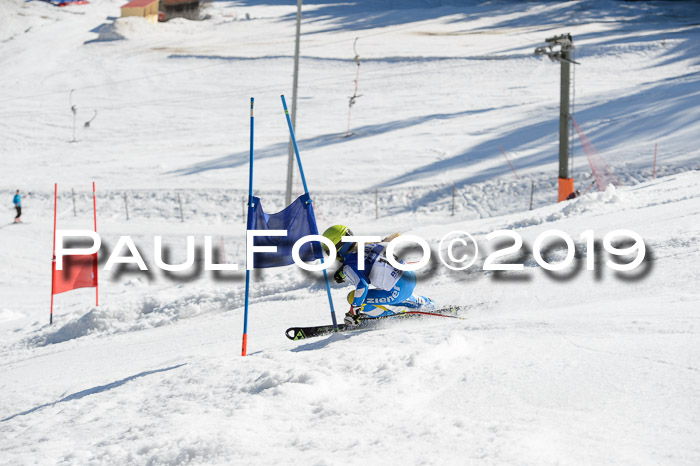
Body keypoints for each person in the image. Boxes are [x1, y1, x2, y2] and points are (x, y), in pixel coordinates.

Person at [322, 225, 434, 326]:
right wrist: (342, 271)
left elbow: (362, 285)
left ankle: (391, 318)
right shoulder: (369, 245)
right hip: (410, 277)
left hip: (397, 290)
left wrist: (354, 311)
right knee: (388, 286)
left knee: (352, 298)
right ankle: (426, 303)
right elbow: (368, 262)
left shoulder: (349, 265)